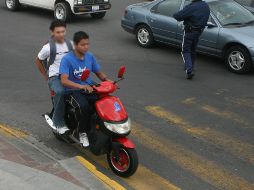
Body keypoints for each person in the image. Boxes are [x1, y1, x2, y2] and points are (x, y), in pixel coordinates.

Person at [59, 31, 113, 147]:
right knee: (84, 107)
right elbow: (64, 81)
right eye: (82, 45)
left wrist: (108, 81)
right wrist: (81, 86)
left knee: (104, 101)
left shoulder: (90, 56)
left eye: (87, 44)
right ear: (75, 45)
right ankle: (81, 132)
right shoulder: (67, 59)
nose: (86, 47)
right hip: (72, 90)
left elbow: (99, 73)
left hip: (88, 87)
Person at [35, 20, 73, 134]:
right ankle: (59, 123)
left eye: (63, 31)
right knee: (60, 92)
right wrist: (46, 77)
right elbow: (38, 61)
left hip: (70, 76)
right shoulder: (48, 47)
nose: (61, 34)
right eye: (58, 32)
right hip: (55, 77)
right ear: (52, 32)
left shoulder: (70, 44)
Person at [173, 0, 210, 80]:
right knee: (193, 49)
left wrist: (174, 14)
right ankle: (191, 67)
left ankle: (189, 70)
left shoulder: (191, 6)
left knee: (185, 51)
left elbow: (178, 16)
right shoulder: (205, 5)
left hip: (190, 31)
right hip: (199, 31)